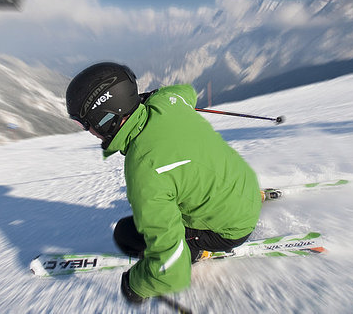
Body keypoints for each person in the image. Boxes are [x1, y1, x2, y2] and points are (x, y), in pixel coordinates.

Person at [65, 62, 261, 303]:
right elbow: (186, 92)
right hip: (246, 187)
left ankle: (198, 249)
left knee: (127, 234)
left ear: (105, 118)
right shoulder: (167, 102)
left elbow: (170, 266)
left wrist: (135, 287)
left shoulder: (144, 169)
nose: (88, 130)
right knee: (169, 193)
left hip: (230, 230)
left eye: (85, 123)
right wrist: (150, 97)